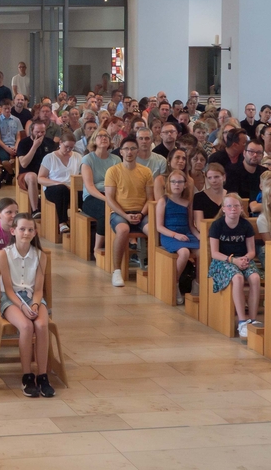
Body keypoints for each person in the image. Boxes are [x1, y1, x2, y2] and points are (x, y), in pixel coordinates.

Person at [0, 212, 54, 397]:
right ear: (13, 231)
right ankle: (27, 376)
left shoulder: (40, 256)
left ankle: (43, 375)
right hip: (12, 299)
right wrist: (23, 307)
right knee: (25, 326)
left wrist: (35, 305)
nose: (26, 233)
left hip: (33, 298)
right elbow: (8, 289)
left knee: (42, 324)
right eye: (22, 229)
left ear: (35, 233)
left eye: (30, 230)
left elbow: (38, 289)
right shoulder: (4, 254)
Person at [208, 193, 261, 339]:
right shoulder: (217, 225)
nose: (233, 209)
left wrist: (245, 259)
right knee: (237, 278)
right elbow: (214, 253)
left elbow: (251, 251)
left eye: (236, 206)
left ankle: (253, 318)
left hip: (243, 259)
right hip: (223, 261)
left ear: (241, 208)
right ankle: (242, 321)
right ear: (223, 208)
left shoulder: (246, 225)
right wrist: (233, 261)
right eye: (229, 206)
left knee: (255, 278)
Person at [104, 135, 154, 287]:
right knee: (123, 230)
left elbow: (150, 198)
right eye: (126, 149)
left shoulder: (146, 172)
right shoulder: (113, 171)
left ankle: (154, 268)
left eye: (133, 149)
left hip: (141, 213)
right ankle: (117, 270)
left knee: (154, 230)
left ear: (138, 151)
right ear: (121, 152)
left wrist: (141, 214)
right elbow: (110, 199)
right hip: (120, 213)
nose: (129, 152)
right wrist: (125, 215)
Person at [156, 171, 199, 305]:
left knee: (204, 251)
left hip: (186, 234)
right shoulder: (164, 201)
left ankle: (197, 283)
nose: (176, 184)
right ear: (168, 184)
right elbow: (159, 226)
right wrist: (176, 235)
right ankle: (174, 283)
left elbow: (191, 225)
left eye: (180, 182)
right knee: (184, 252)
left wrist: (200, 237)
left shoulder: (188, 202)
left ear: (185, 185)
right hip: (170, 235)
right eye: (173, 182)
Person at [37, 132, 83, 234]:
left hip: (72, 188)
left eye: (71, 148)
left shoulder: (78, 157)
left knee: (85, 193)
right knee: (62, 190)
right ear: (60, 143)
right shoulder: (49, 157)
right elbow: (40, 178)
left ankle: (84, 221)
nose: (68, 150)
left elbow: (81, 176)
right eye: (66, 146)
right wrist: (57, 183)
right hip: (54, 188)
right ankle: (62, 222)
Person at [16, 121, 54, 219]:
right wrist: (34, 146)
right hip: (26, 174)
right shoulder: (24, 143)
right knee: (33, 176)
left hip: (45, 174)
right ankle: (35, 210)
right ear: (31, 131)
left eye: (43, 132)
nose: (40, 134)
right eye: (37, 132)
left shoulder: (49, 142)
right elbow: (24, 163)